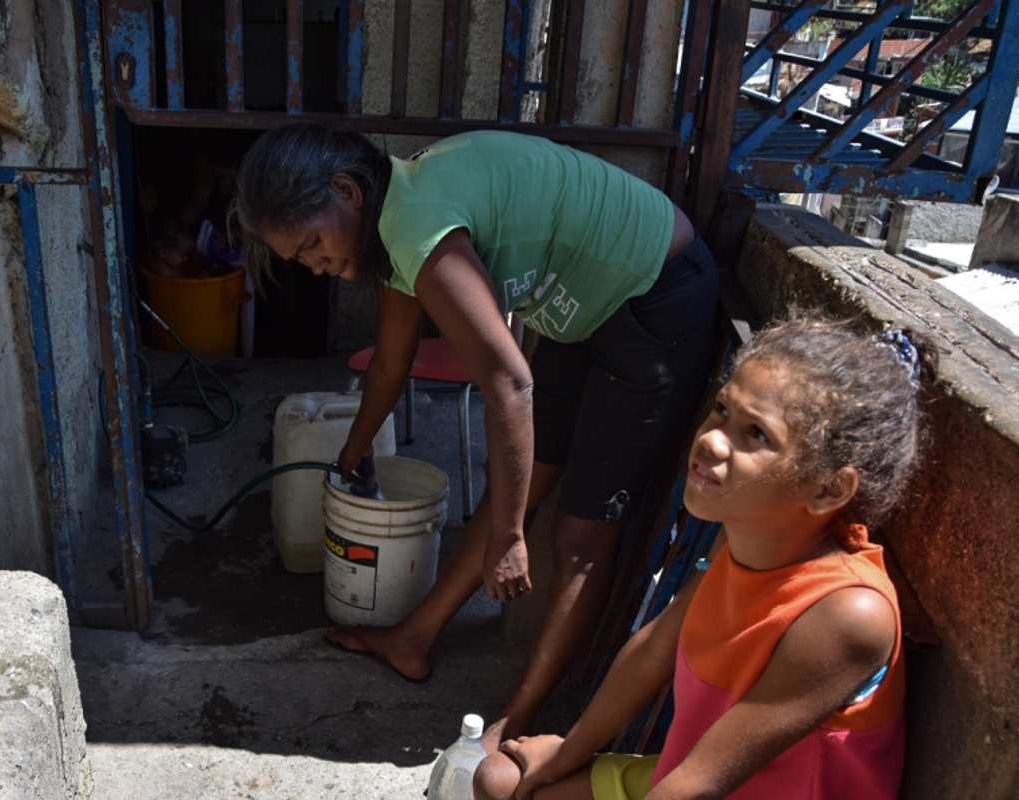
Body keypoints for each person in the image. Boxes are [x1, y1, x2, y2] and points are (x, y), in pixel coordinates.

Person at [231, 123, 720, 749]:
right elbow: (389, 361)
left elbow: (511, 384)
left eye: (311, 244)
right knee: (508, 495)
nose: (318, 266)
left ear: (346, 191)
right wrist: (351, 455)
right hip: (590, 313)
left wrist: (511, 540)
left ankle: (523, 717)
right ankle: (412, 640)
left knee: (579, 536)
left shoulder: (415, 224)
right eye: (301, 260)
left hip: (658, 290)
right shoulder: (394, 219)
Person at [472, 315, 938, 800]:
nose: (712, 439)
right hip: (682, 778)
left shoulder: (849, 614)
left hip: (707, 788)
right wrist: (564, 756)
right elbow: (652, 652)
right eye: (721, 409)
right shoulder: (738, 542)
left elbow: (702, 784)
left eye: (756, 433)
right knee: (502, 781)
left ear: (829, 489)